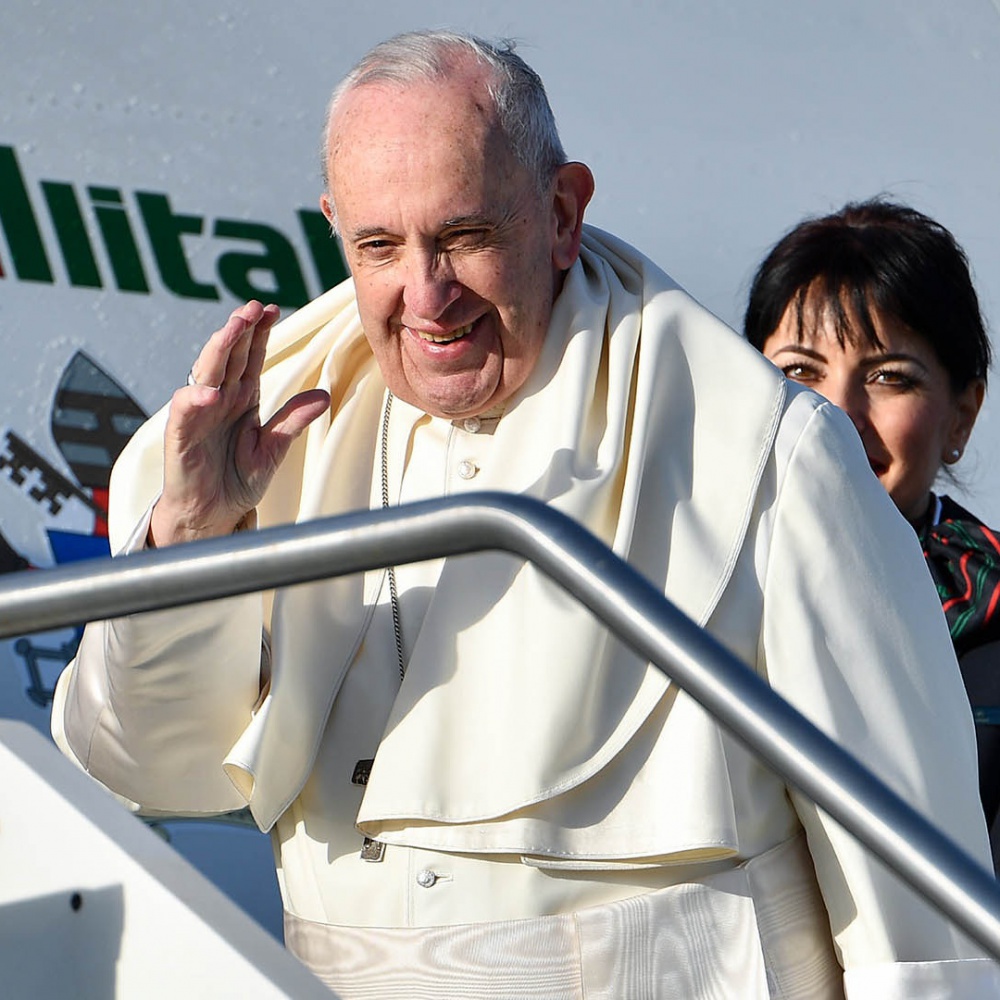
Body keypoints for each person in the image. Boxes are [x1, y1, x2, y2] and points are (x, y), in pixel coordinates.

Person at [50, 31, 998, 998]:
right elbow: (152, 771)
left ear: (561, 211)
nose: (428, 297)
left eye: (464, 237)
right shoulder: (267, 434)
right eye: (379, 246)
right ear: (336, 225)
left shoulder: (763, 448)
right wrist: (196, 536)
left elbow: (915, 896)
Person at [744, 198, 1000, 844]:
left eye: (889, 377)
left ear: (962, 416)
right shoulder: (673, 588)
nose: (833, 416)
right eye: (799, 372)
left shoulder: (993, 626)